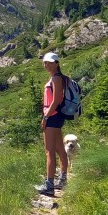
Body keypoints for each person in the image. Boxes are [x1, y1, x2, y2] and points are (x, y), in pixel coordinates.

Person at [39, 51, 69, 196]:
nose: (47, 65)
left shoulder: (56, 79)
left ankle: (49, 185)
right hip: (56, 116)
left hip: (52, 116)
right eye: (45, 63)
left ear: (57, 63)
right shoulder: (57, 78)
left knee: (49, 151)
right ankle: (63, 179)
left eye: (50, 62)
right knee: (59, 149)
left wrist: (45, 117)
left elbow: (55, 100)